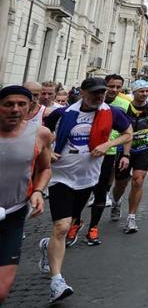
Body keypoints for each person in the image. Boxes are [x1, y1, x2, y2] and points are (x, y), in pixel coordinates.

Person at [40, 78, 132, 303]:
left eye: (101, 93)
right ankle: (57, 281)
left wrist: (108, 145)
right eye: (94, 93)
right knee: (61, 227)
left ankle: (47, 246)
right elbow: (41, 136)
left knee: (68, 223)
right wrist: (47, 153)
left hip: (87, 178)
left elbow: (129, 133)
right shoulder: (63, 113)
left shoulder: (111, 112)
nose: (99, 96)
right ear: (82, 92)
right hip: (61, 176)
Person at [0, 85, 53, 304]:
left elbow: (45, 168)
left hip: (14, 214)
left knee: (2, 290)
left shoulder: (40, 133)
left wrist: (38, 191)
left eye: (21, 104)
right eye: (8, 104)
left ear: (30, 106)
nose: (15, 109)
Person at [77, 74, 131, 245]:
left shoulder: (119, 108)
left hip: (107, 154)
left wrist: (124, 153)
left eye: (117, 87)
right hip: (80, 157)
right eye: (110, 87)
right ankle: (75, 222)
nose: (113, 90)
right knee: (80, 193)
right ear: (83, 93)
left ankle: (93, 227)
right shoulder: (71, 109)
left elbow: (129, 132)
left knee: (101, 191)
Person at [111, 82, 148, 233]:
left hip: (143, 149)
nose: (145, 94)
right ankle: (116, 202)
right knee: (121, 183)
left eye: (147, 91)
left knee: (138, 180)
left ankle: (131, 217)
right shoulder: (124, 108)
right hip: (124, 150)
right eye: (141, 91)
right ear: (134, 92)